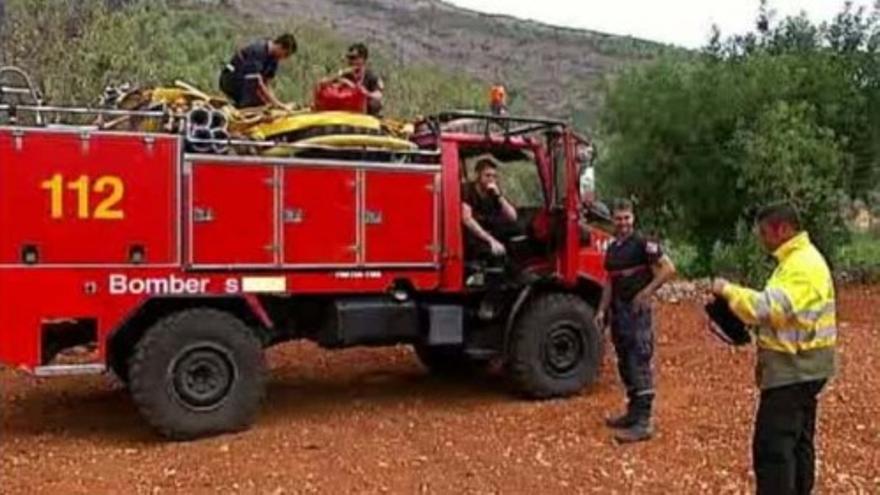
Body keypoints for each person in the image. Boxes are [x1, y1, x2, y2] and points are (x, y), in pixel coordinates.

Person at [711, 202, 836, 495]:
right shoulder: (796, 261)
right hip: (803, 368)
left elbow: (768, 308)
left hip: (795, 370)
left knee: (773, 449)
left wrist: (728, 291)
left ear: (783, 229)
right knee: (798, 443)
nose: (762, 239)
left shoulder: (803, 266)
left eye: (765, 232)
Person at [595, 199, 676, 443]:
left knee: (638, 360)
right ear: (613, 220)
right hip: (619, 312)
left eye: (627, 218)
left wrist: (647, 291)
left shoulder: (644, 244)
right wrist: (601, 310)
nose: (623, 223)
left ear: (633, 219)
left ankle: (644, 422)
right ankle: (632, 413)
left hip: (637, 312)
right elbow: (610, 281)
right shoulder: (613, 248)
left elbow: (668, 268)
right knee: (624, 362)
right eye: (619, 218)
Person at [219, 33, 297, 109]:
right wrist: (277, 104)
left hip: (248, 82)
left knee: (265, 102)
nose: (284, 58)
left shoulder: (274, 59)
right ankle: (244, 107)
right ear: (280, 46)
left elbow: (267, 83)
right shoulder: (258, 51)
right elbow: (257, 82)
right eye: (285, 54)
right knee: (255, 89)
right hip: (231, 79)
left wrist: (275, 103)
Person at [461, 159, 518, 260]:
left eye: (494, 176)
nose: (491, 179)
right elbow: (467, 219)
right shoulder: (467, 190)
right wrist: (491, 241)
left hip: (491, 232)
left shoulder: (493, 193)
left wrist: (499, 196)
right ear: (478, 175)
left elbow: (512, 217)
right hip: (473, 237)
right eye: (487, 175)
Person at [326, 43, 384, 116]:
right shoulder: (345, 75)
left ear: (363, 59)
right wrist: (339, 76)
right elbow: (326, 83)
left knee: (374, 103)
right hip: (347, 108)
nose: (350, 61)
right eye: (349, 58)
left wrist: (365, 93)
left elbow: (378, 95)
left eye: (354, 58)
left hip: (364, 111)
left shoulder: (370, 76)